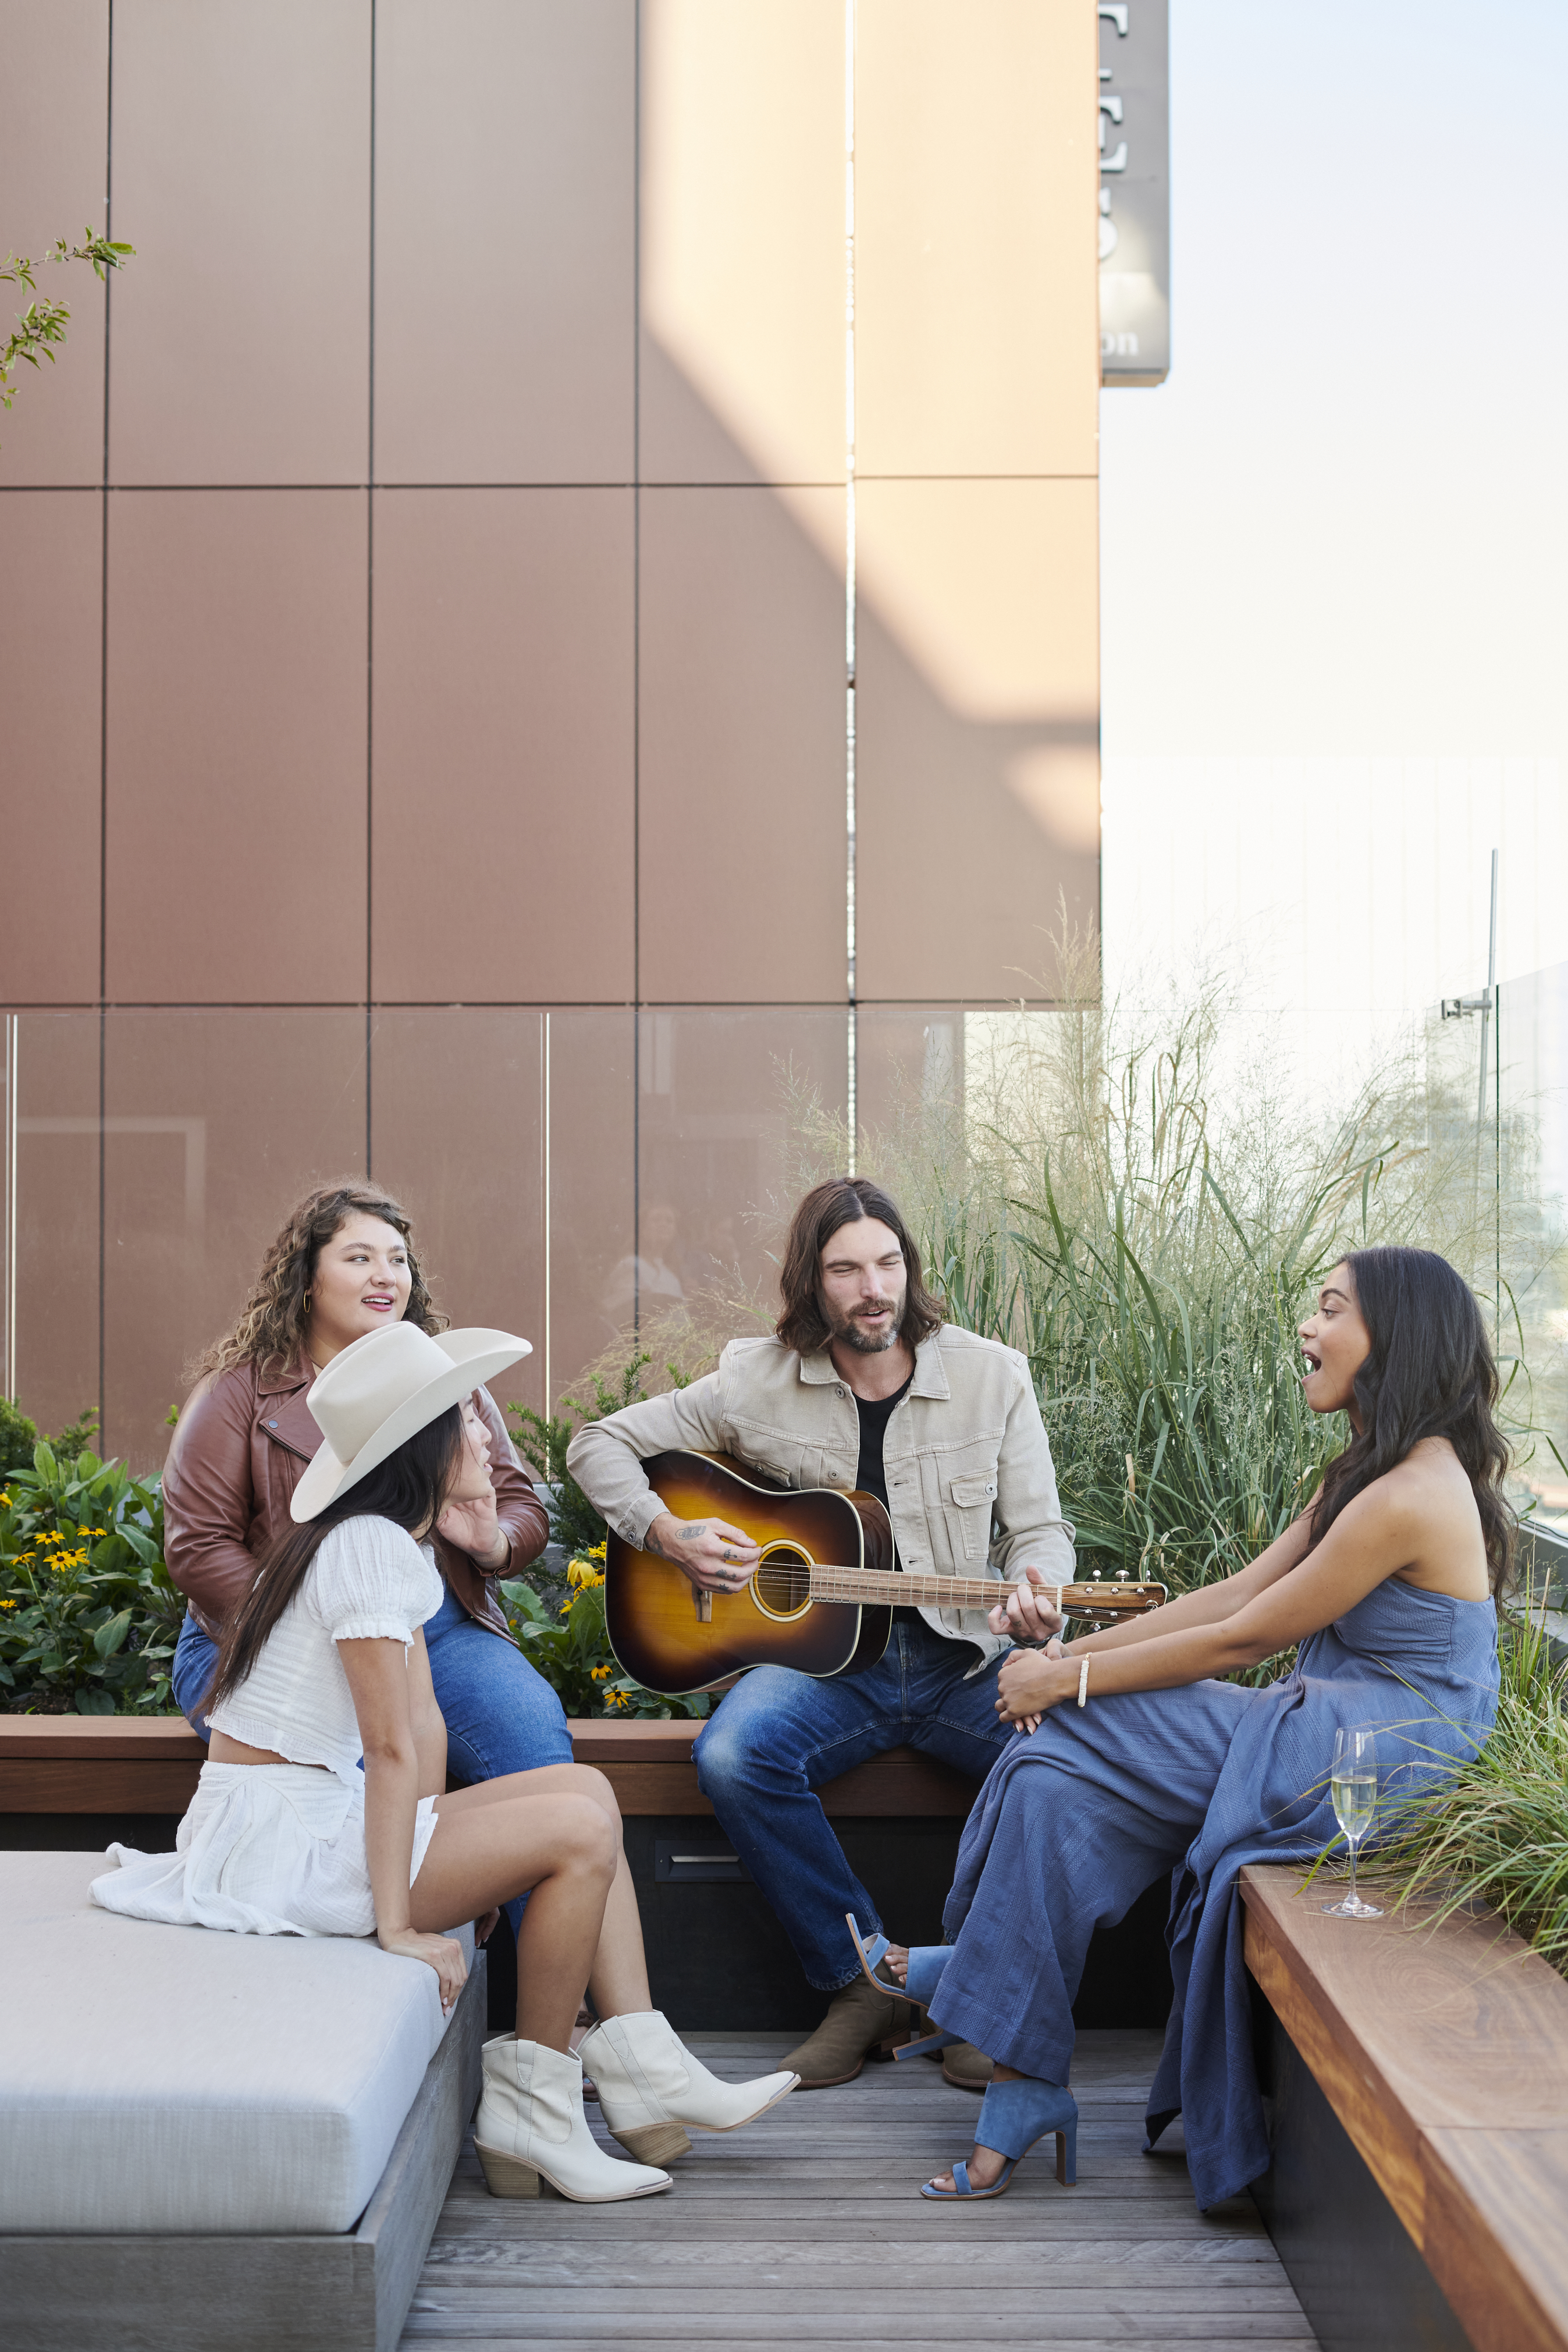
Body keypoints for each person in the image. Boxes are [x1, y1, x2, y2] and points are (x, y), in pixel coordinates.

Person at [94, 1323, 798, 2204]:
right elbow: (389, 1747)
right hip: (280, 1845)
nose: (485, 1436)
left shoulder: (388, 1539)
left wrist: (445, 1860)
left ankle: (638, 2056)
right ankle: (533, 2108)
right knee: (577, 1824)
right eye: (465, 1422)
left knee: (585, 1788)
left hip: (308, 1816)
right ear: (423, 1447)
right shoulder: (368, 1546)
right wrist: (401, 1921)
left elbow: (424, 1732)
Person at [879, 1246, 1504, 2208]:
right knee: (1052, 1781)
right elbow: (1234, 1593)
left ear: (1396, 1336)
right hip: (1331, 1724)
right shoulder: (1366, 1471)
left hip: (1381, 1753)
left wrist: (1062, 1677)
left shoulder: (1411, 1491)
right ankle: (1021, 2078)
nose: (1307, 1325)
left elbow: (1246, 1638)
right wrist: (1068, 1666)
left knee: (1070, 1728)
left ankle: (983, 1965)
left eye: (1331, 1307)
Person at [567, 1174, 1076, 2090]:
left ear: (908, 1269)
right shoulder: (751, 1376)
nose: (871, 1287)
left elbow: (1038, 1531)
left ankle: (977, 1989)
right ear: (812, 1282)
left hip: (962, 1656)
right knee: (732, 1755)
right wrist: (669, 1534)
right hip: (826, 1666)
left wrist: (1040, 1595)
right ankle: (862, 1981)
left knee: (1056, 1765)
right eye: (845, 1269)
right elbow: (594, 1442)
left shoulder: (991, 1372)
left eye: (886, 1262)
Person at [163, 1182, 571, 1819]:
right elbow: (198, 1548)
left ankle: (505, 1894)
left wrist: (491, 1542)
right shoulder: (237, 1393)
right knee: (355, 1785)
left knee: (536, 1754)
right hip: (265, 1635)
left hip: (436, 1630)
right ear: (306, 1278)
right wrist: (316, 1622)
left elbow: (522, 1509)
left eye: (398, 1259)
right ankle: (415, 1902)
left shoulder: (447, 1381)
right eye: (358, 1258)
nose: (386, 1276)